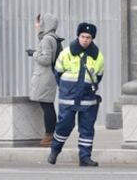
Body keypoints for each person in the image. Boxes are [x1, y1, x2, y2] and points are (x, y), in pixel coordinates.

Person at [48, 22, 104, 167]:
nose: (85, 39)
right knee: (64, 125)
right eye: (82, 36)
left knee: (87, 128)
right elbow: (58, 73)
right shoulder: (66, 53)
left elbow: (98, 76)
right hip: (69, 97)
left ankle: (85, 158)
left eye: (88, 37)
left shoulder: (98, 56)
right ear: (78, 36)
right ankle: (54, 150)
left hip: (87, 99)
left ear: (92, 39)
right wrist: (66, 89)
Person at [27, 13, 63, 147]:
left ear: (45, 23)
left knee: (47, 106)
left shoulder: (47, 39)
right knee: (47, 105)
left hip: (44, 77)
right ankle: (50, 135)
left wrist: (34, 54)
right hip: (48, 76)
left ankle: (49, 136)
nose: (37, 25)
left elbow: (47, 59)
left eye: (38, 22)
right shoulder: (53, 38)